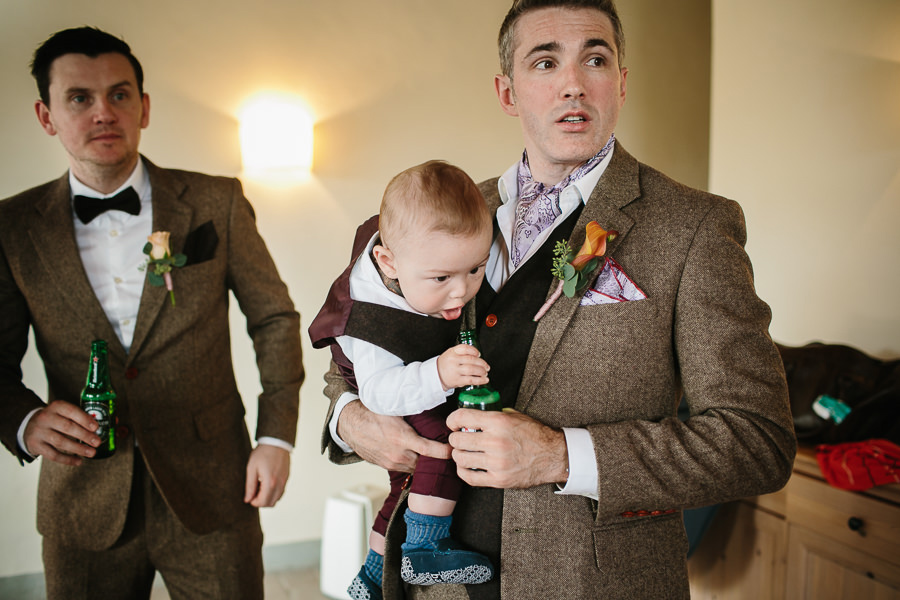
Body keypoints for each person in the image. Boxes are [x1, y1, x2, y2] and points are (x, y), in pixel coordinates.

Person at [320, 1, 797, 599]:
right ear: (507, 91)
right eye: (545, 62)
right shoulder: (438, 213)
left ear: (621, 81)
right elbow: (362, 335)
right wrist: (350, 420)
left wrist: (562, 456)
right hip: (428, 583)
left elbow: (757, 442)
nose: (573, 83)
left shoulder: (695, 226)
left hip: (590, 583)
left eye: (594, 59)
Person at [0, 27, 304, 600]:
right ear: (47, 115)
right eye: (79, 98)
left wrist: (276, 438)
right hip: (82, 499)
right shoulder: (11, 228)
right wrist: (22, 422)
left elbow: (275, 319)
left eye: (119, 94)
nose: (103, 112)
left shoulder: (218, 201)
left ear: (144, 106)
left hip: (216, 485)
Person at [309, 161, 495, 600]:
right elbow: (377, 393)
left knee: (405, 487)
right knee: (445, 446)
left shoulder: (421, 252)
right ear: (387, 263)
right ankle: (425, 547)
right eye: (442, 278)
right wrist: (440, 373)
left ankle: (372, 575)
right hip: (395, 390)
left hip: (410, 378)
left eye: (475, 270)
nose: (461, 291)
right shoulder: (371, 317)